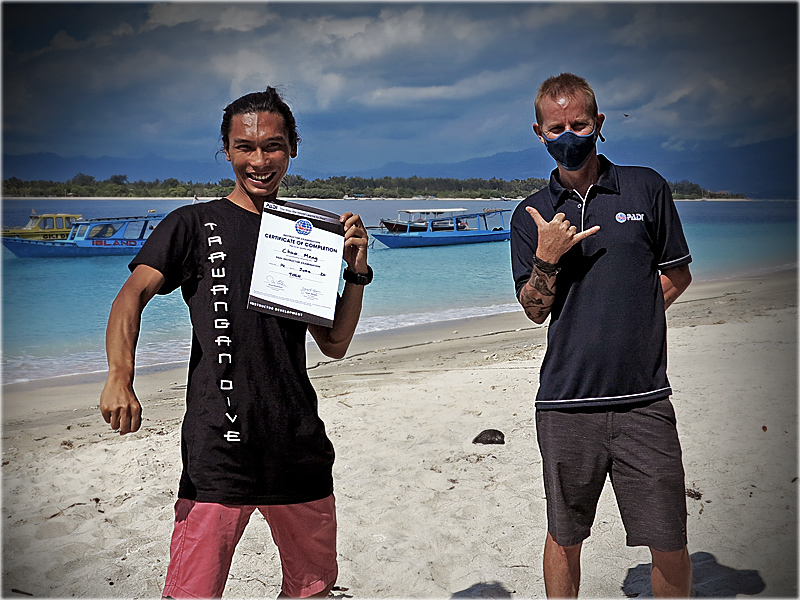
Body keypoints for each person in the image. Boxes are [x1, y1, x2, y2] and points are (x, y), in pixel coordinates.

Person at [99, 87, 372, 598]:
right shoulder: (193, 224)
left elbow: (334, 344)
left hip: (297, 446)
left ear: (293, 148)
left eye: (273, 146)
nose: (260, 160)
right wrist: (119, 377)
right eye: (245, 147)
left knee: (311, 588)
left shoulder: (308, 232)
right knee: (192, 591)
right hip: (218, 452)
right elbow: (131, 296)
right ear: (226, 151)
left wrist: (353, 273)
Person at [510, 73, 693, 597]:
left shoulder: (645, 187)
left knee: (668, 536)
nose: (569, 135)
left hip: (644, 400)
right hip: (566, 403)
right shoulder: (532, 214)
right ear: (539, 133)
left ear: (599, 124)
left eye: (579, 124)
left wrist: (632, 312)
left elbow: (676, 273)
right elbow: (533, 310)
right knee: (565, 535)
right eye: (556, 127)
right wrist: (547, 257)